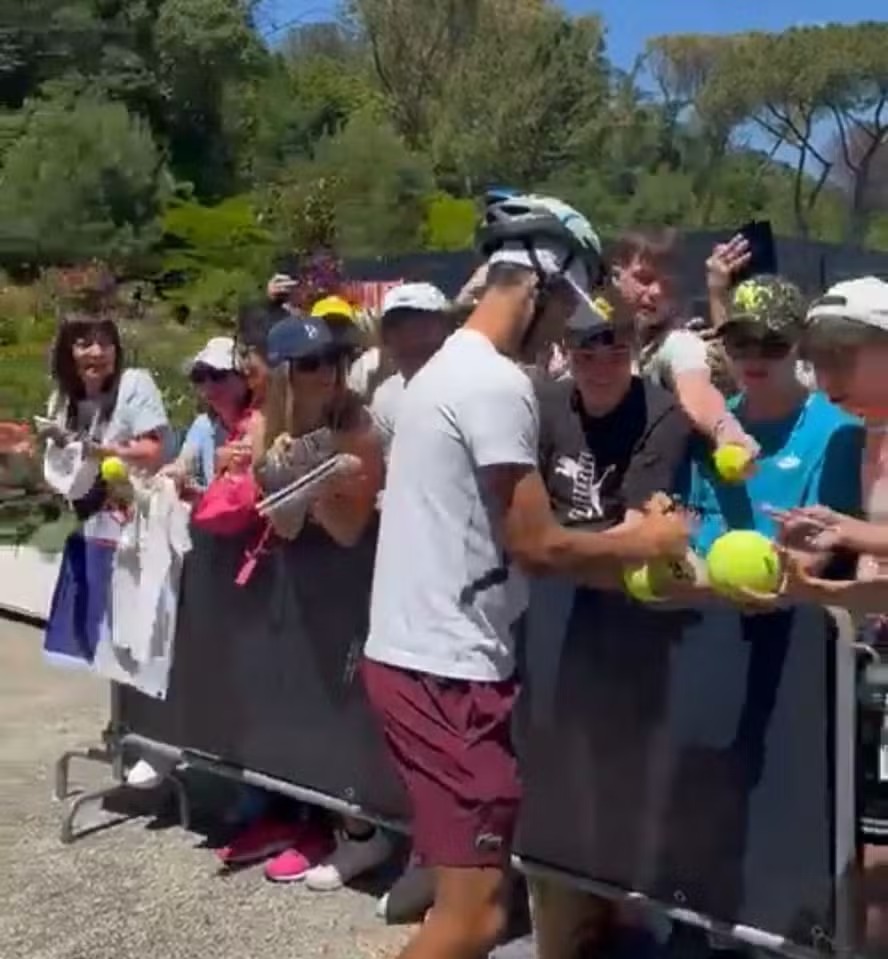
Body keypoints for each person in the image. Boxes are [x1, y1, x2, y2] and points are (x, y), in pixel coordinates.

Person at [361, 192, 690, 959]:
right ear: (542, 283)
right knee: (474, 917)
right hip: (447, 670)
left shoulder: (443, 369)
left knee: (469, 902)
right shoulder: (496, 384)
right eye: (569, 306)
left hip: (420, 658)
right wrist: (649, 538)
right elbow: (538, 544)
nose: (568, 328)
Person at [527, 295, 692, 959]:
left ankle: (632, 906)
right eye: (586, 348)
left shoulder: (662, 413)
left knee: (629, 766)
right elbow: (520, 515)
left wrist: (550, 544)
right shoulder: (544, 405)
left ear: (635, 349)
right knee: (552, 765)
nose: (600, 362)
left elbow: (637, 531)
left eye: (615, 347)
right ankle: (568, 912)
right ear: (566, 352)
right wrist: (555, 544)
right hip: (545, 614)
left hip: (632, 624)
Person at [251, 315, 392, 890]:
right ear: (285, 373)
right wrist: (282, 476)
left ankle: (364, 833)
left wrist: (313, 483)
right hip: (299, 578)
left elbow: (349, 529)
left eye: (333, 359)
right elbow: (282, 525)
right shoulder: (268, 426)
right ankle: (323, 822)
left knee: (348, 705)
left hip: (353, 579)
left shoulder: (358, 426)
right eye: (310, 363)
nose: (326, 373)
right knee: (306, 699)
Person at [680, 275, 863, 563]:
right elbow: (687, 528)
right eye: (740, 343)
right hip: (701, 584)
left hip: (783, 587)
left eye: (773, 344)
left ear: (801, 345)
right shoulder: (710, 427)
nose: (755, 358)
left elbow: (813, 558)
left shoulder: (839, 432)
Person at [610, 229, 759, 459]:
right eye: (644, 278)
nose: (656, 292)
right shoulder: (594, 336)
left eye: (668, 283)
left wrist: (723, 429)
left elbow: (695, 386)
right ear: (616, 276)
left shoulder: (678, 344)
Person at [370, 282, 452, 463]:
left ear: (446, 328)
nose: (410, 335)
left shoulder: (474, 389)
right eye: (396, 324)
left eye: (421, 322)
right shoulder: (386, 397)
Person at [163, 336, 251, 493]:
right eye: (199, 377)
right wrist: (175, 476)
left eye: (218, 375)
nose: (208, 384)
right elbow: (184, 464)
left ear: (243, 379)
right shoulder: (204, 426)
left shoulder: (259, 425)